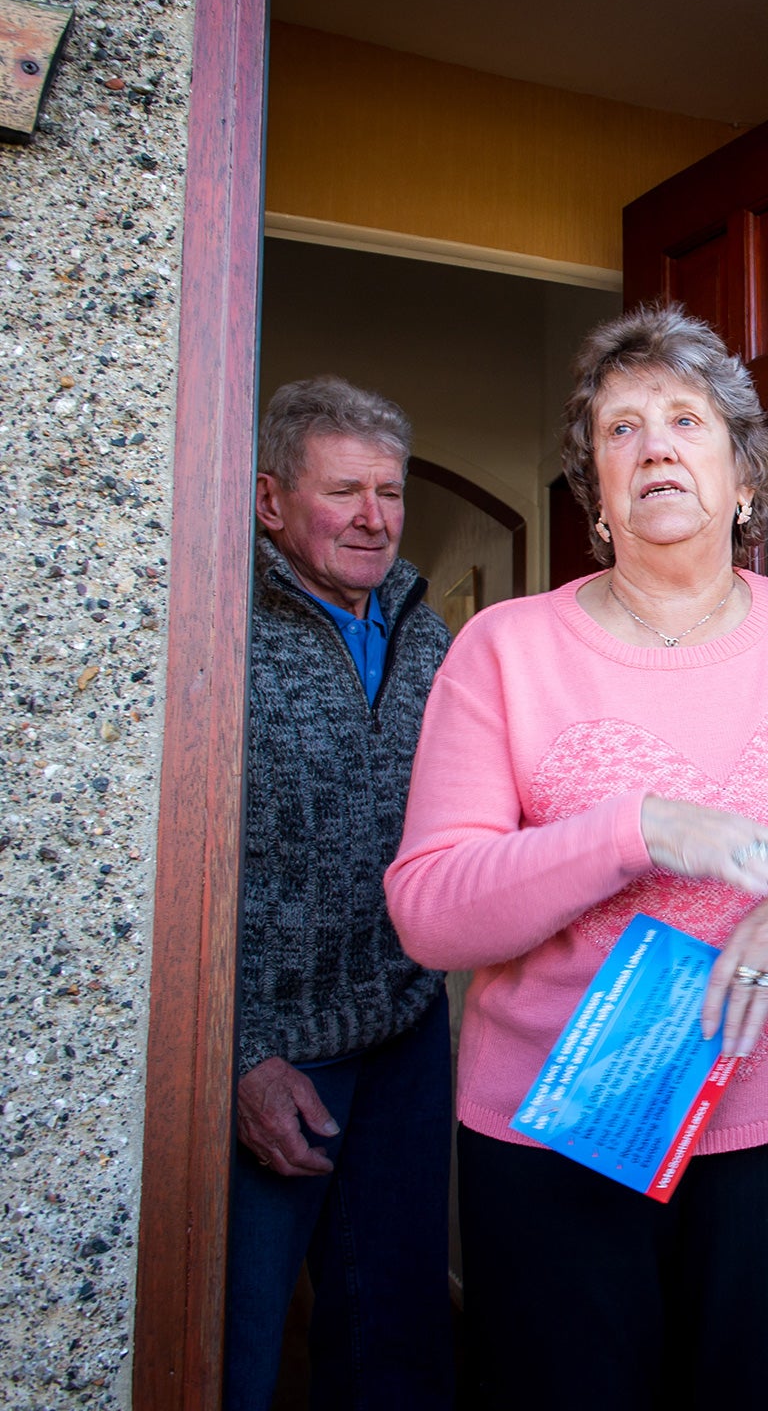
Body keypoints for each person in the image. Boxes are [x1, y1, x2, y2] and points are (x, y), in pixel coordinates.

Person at [384, 303, 768, 1409]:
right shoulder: (505, 651)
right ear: (595, 495)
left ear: (743, 479)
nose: (653, 448)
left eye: (686, 422)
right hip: (562, 1136)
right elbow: (430, 911)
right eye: (620, 430)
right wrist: (634, 829)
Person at [227, 376, 455, 1411]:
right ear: (272, 500)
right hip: (270, 1044)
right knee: (238, 1339)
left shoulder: (430, 631)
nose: (374, 518)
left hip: (406, 1024)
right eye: (345, 492)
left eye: (390, 493)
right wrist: (236, 1054)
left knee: (396, 1329)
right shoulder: (216, 623)